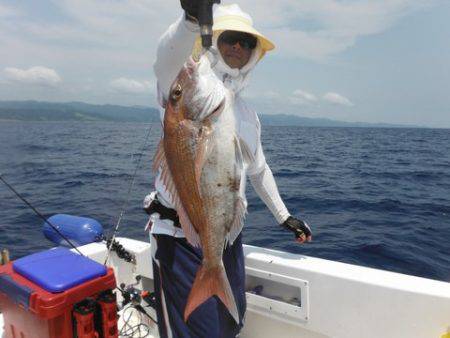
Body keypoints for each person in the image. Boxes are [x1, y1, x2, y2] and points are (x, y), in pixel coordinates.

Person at [144, 3, 312, 338]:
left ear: (253, 54)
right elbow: (165, 59)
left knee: (230, 324)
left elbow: (258, 169)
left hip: (225, 238)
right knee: (197, 332)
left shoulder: (246, 113)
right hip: (178, 240)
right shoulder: (181, 90)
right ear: (215, 40)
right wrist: (191, 20)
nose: (238, 46)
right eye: (230, 38)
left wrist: (283, 215)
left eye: (246, 42)